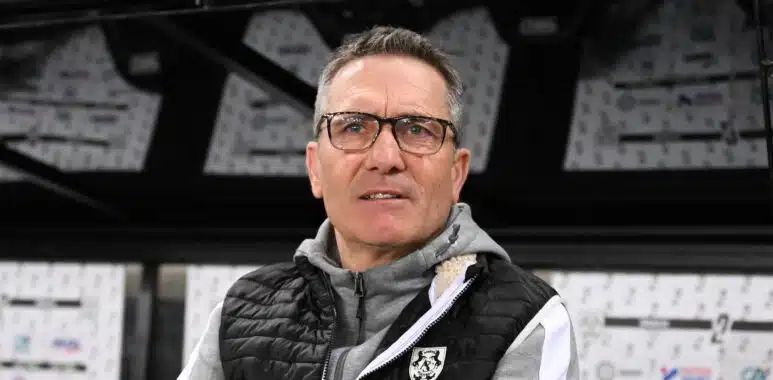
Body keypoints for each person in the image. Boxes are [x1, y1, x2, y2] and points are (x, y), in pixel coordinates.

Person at [178, 25, 579, 380]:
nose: (385, 158)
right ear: (316, 168)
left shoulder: (524, 321)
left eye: (417, 129)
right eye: (354, 126)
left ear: (456, 173)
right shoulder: (242, 313)